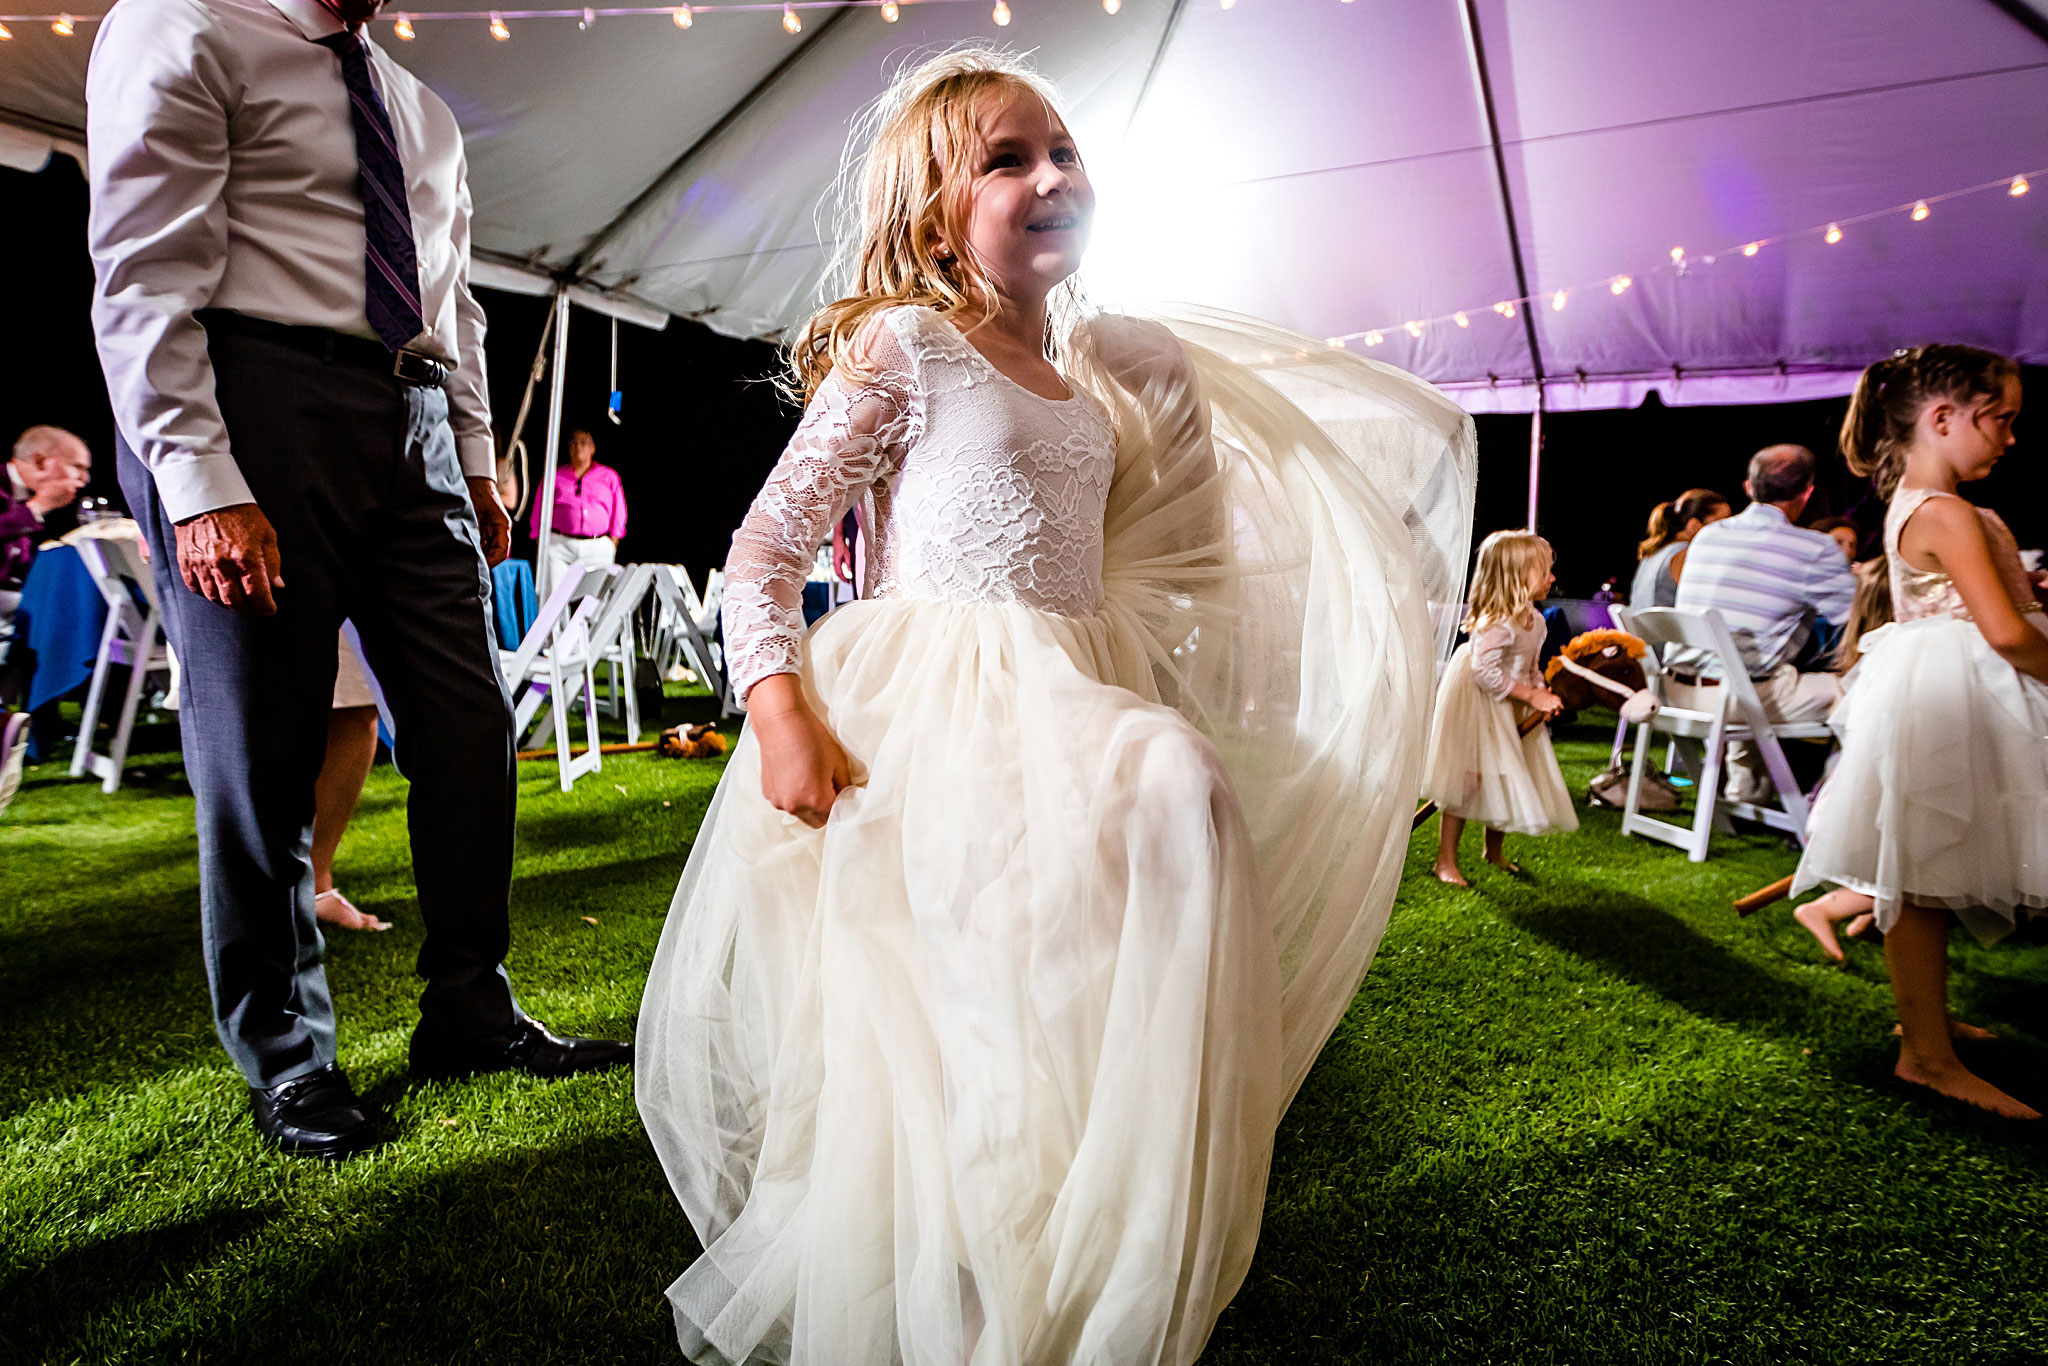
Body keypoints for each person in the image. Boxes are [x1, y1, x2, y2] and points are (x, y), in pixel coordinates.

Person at [636, 50, 1455, 1365]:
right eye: (1008, 159)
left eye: (1065, 150)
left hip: (1072, 696)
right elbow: (762, 553)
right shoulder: (910, 346)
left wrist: (1166, 399)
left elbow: (1161, 545)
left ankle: (1088, 1248)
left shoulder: (1093, 380)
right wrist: (777, 707)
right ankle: (971, 1295)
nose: (1054, 176)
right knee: (962, 1005)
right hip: (931, 712)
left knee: (1068, 979)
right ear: (932, 209)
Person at [86, 0, 629, 1161]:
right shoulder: (182, 24)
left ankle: (471, 1009)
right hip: (255, 397)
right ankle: (288, 1060)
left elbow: (457, 300)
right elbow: (141, 272)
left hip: (416, 410)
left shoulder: (417, 103)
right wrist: (196, 478)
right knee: (262, 753)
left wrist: (477, 461)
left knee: (470, 726)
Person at [1793, 344, 2039, 1119]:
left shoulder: (1925, 503)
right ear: (1943, 418)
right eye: (1999, 418)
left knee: (1926, 871)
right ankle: (1925, 1056)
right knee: (1922, 875)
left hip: (1946, 687)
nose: (2009, 436)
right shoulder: (1945, 510)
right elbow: (2002, 633)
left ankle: (1925, 1031)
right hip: (1964, 693)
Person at [1668, 445, 1857, 802]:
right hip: (1732, 702)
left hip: (1674, 692)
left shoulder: (1709, 535)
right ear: (1807, 492)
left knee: (1760, 673)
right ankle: (1827, 804)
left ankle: (1747, 790)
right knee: (1855, 692)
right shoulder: (1814, 549)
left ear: (1749, 488)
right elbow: (1858, 620)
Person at [1424, 530, 1576, 885]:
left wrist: (1541, 690)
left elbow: (1532, 666)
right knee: (1469, 779)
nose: (1552, 578)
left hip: (1514, 701)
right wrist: (1530, 695)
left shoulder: (1537, 620)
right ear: (1515, 576)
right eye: (1544, 571)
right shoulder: (1496, 622)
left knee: (1508, 772)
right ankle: (1445, 860)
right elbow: (1484, 673)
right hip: (1480, 703)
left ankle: (1493, 850)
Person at [2, 426, 93, 629]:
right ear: (40, 462)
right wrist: (39, 506)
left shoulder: (28, 494)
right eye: (77, 467)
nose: (85, 479)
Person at [530, 427, 626, 588]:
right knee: (553, 593)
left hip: (597, 544)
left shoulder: (609, 476)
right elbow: (540, 507)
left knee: (598, 596)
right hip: (561, 545)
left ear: (593, 448)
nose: (578, 447)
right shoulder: (555, 476)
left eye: (583, 443)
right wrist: (538, 536)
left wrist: (613, 540)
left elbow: (619, 511)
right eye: (573, 443)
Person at [1629, 487, 1730, 610]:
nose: (1729, 530)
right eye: (1722, 523)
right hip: (1664, 628)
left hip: (1642, 628)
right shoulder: (1684, 554)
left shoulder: (1657, 550)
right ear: (1694, 525)